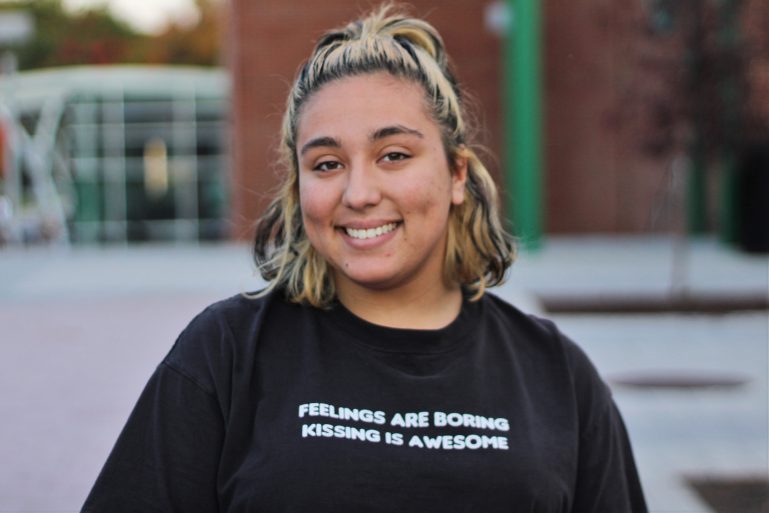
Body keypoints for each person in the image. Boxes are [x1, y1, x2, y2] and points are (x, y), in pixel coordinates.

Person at [82, 5, 647, 512]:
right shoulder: (226, 355)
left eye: (393, 155)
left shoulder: (556, 374)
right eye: (327, 164)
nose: (358, 193)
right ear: (299, 187)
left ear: (456, 173)